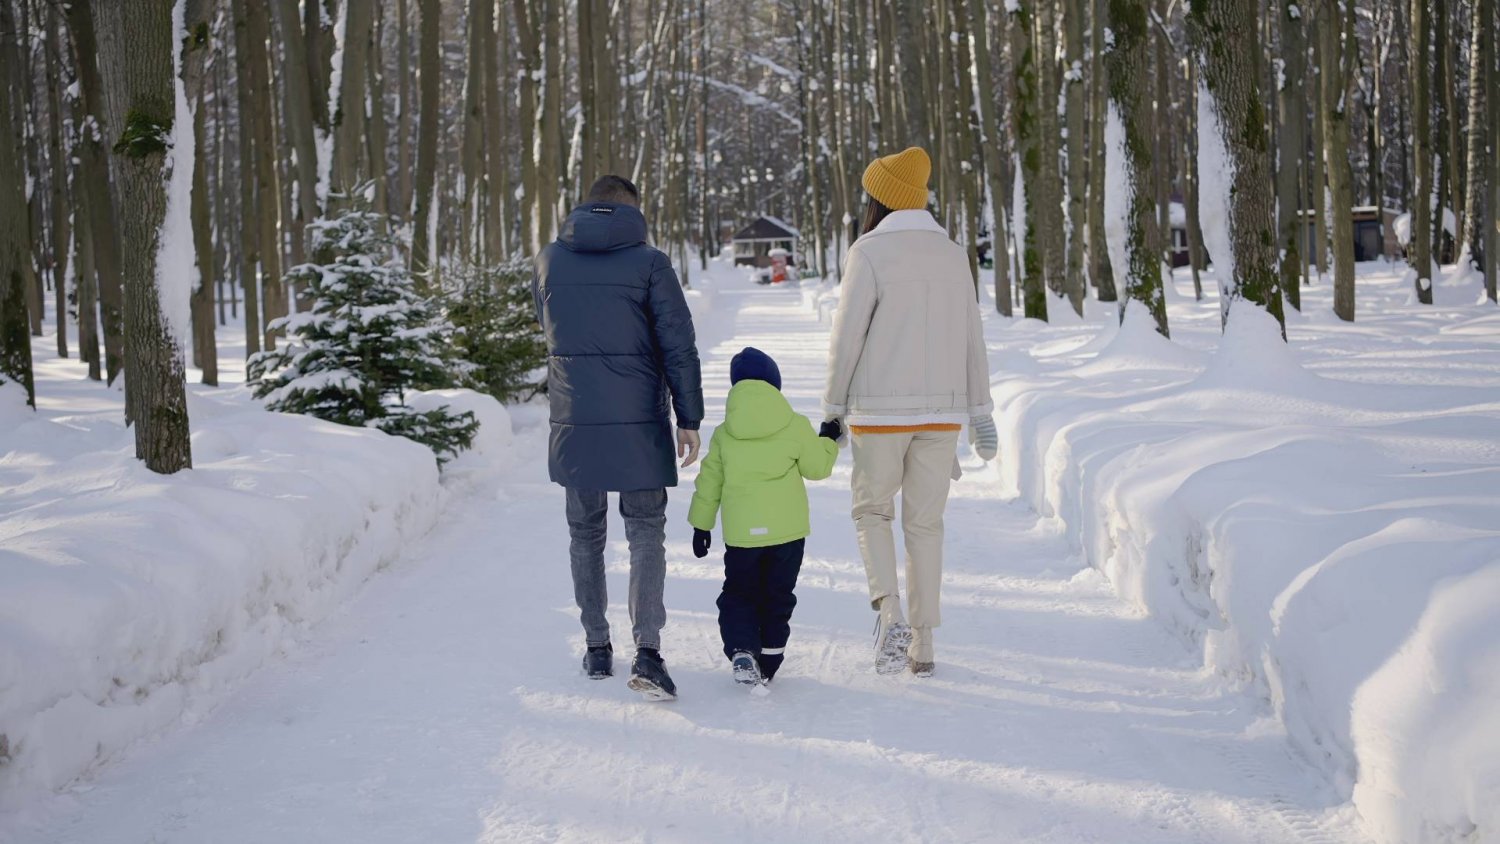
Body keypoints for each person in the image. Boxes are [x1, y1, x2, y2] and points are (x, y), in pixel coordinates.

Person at [822, 147, 998, 678]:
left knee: (873, 512)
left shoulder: (868, 253)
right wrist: (980, 410)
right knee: (926, 525)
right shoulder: (953, 254)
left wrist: (832, 411)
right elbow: (972, 336)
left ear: (881, 198)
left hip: (878, 413)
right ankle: (922, 646)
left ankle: (890, 612)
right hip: (942, 414)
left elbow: (847, 338)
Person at [532, 175, 704, 701]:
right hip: (638, 422)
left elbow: (549, 327)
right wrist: (689, 416)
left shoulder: (549, 260)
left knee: (585, 535)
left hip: (574, 421)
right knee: (646, 530)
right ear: (633, 211)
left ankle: (596, 646)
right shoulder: (650, 263)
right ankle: (648, 651)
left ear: (588, 206)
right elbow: (679, 344)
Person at [687, 348, 840, 689]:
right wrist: (828, 440)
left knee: (739, 593)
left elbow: (709, 482)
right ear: (775, 384)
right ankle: (770, 659)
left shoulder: (725, 433)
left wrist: (702, 524)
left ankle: (742, 649)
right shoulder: (795, 425)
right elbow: (817, 468)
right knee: (778, 595)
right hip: (787, 535)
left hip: (743, 537)